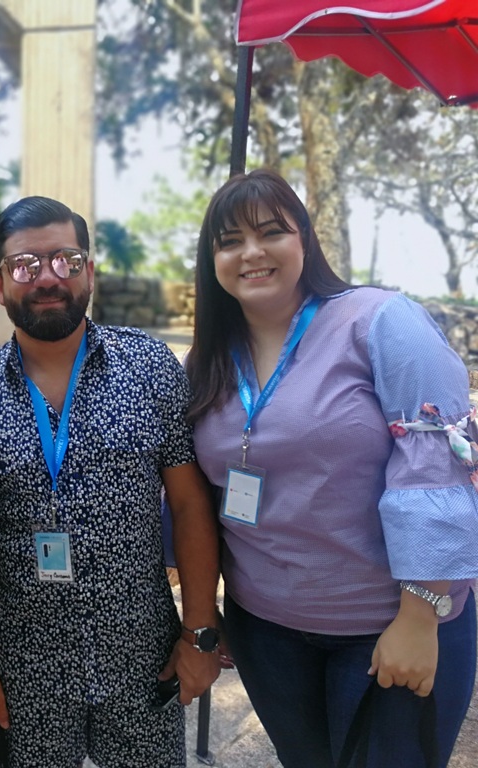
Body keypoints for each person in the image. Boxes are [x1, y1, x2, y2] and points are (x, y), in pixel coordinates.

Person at [186, 168, 478, 767]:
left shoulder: (381, 321)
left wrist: (421, 612)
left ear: (305, 239)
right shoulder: (208, 359)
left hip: (388, 624)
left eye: (271, 232)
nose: (251, 252)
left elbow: (438, 466)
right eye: (230, 241)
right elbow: (197, 494)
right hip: (265, 631)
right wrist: (202, 613)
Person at [0, 196, 222, 767]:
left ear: (89, 272)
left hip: (143, 659)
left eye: (65, 260)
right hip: (26, 673)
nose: (48, 277)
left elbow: (190, 506)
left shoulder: (150, 369)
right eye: (24, 265)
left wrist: (200, 635)